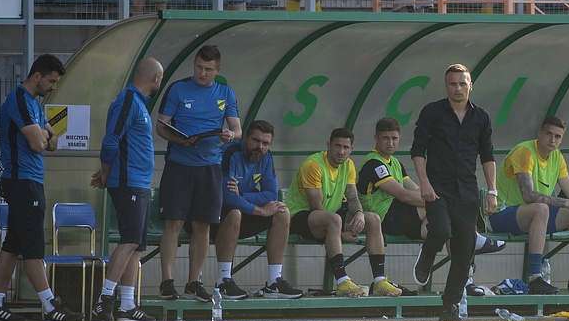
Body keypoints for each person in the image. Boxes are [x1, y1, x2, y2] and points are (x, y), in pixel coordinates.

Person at [0, 54, 82, 321]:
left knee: (13, 245)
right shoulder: (19, 99)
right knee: (33, 245)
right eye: (51, 81)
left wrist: (43, 134)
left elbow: (53, 142)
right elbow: (39, 145)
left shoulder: (34, 104)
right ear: (36, 76)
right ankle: (50, 306)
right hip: (22, 182)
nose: (53, 87)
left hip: (31, 181)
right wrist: (44, 135)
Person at [356, 116, 503, 294]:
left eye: (394, 138)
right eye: (385, 138)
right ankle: (473, 237)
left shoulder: (395, 163)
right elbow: (404, 196)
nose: (390, 143)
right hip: (383, 217)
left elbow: (417, 189)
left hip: (402, 218)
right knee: (448, 209)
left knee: (450, 226)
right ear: (376, 138)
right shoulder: (374, 163)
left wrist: (437, 199)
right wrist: (440, 201)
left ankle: (465, 280)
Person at [411, 64, 497, 321]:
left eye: (462, 83)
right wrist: (424, 183)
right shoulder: (432, 112)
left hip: (467, 191)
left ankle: (449, 306)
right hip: (438, 188)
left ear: (471, 86)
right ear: (446, 86)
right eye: (453, 84)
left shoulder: (481, 117)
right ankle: (427, 256)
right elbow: (418, 150)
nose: (458, 88)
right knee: (440, 230)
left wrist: (492, 190)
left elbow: (487, 155)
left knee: (464, 251)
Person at [155, 44, 242, 302]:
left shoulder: (225, 92)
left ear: (218, 70)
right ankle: (167, 281)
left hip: (210, 166)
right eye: (199, 67)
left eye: (208, 69)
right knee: (174, 222)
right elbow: (161, 126)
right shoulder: (178, 89)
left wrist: (229, 135)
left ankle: (194, 281)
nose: (202, 73)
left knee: (203, 225)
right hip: (179, 164)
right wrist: (179, 139)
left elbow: (238, 129)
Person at [489, 117, 569, 295]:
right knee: (540, 208)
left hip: (538, 217)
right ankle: (535, 278)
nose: (552, 140)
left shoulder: (557, 156)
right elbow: (528, 196)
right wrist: (568, 203)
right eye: (548, 134)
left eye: (557, 136)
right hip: (503, 215)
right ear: (539, 133)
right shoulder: (524, 151)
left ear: (562, 139)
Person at [285, 128, 402, 298]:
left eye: (346, 147)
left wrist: (360, 213)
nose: (341, 151)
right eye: (337, 146)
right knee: (333, 220)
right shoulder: (313, 165)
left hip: (331, 217)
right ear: (329, 145)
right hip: (299, 217)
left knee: (373, 219)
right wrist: (341, 234)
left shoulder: (349, 165)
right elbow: (316, 205)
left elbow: (352, 195)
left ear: (351, 149)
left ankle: (379, 281)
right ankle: (342, 282)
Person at [89, 57, 164, 321]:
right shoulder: (128, 100)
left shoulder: (138, 103)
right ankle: (104, 300)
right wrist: (106, 172)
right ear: (156, 78)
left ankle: (127, 306)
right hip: (129, 182)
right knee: (129, 241)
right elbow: (111, 140)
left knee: (137, 246)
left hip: (139, 183)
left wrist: (107, 171)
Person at [212, 120, 303, 300]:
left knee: (281, 211)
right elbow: (227, 196)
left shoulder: (266, 157)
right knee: (235, 212)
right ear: (246, 137)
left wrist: (243, 194)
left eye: (265, 143)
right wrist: (260, 211)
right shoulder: (230, 152)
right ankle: (223, 281)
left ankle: (274, 282)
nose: (260, 147)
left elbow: (271, 194)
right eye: (256, 140)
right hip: (216, 218)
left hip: (244, 212)